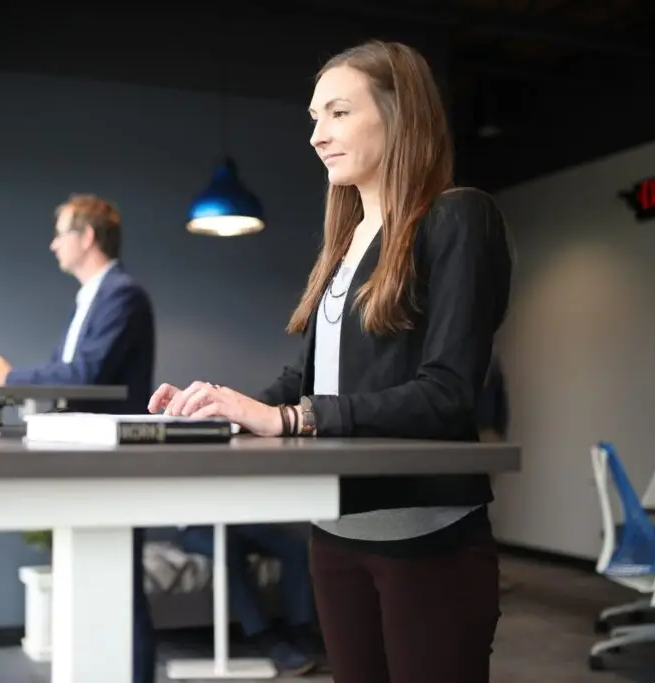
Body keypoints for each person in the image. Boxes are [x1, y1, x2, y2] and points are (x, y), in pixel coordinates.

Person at [148, 40, 513, 683]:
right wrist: (222, 408)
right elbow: (306, 381)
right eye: (315, 118)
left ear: (400, 115)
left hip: (425, 536)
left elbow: (448, 391)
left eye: (338, 113)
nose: (318, 136)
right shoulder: (347, 244)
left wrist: (293, 420)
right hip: (337, 531)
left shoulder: (457, 217)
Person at [0, 193, 158, 683]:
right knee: (98, 582)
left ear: (88, 236)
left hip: (114, 460)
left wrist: (8, 375)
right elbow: (67, 372)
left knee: (122, 586)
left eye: (60, 233)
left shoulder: (122, 295)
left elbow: (86, 373)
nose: (53, 244)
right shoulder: (90, 299)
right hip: (87, 456)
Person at [176, 524, 324, 675]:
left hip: (243, 520)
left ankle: (301, 629)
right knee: (226, 551)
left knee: (295, 547)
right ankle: (263, 636)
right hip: (198, 527)